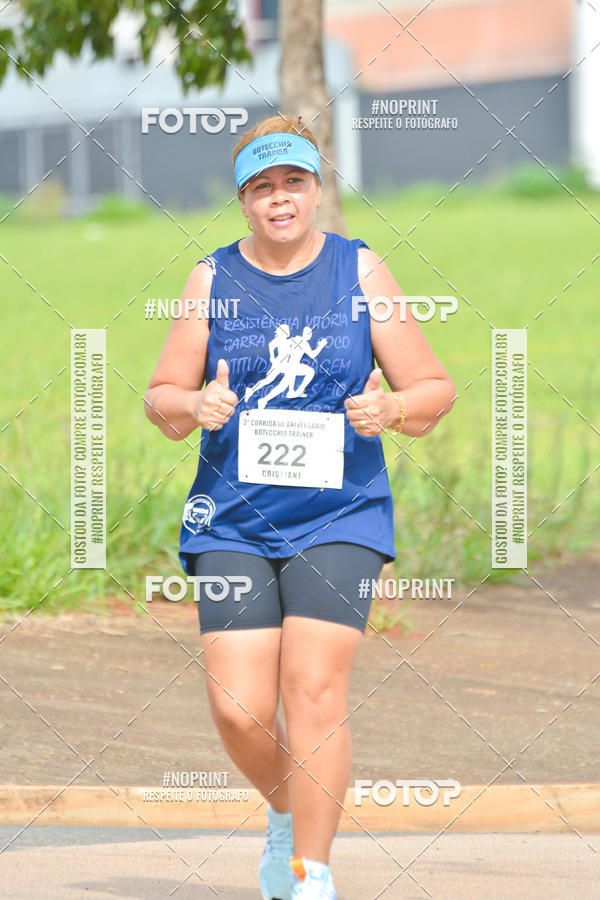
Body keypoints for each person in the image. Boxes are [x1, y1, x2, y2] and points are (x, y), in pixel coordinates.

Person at [144, 114, 455, 900]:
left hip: (341, 514)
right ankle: (290, 809)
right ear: (243, 200)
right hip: (233, 520)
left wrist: (392, 411)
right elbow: (161, 399)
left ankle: (309, 873)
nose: (279, 199)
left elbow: (432, 388)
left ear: (316, 189)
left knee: (313, 690)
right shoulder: (211, 279)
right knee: (238, 709)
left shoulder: (362, 270)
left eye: (293, 182)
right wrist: (195, 404)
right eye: (262, 187)